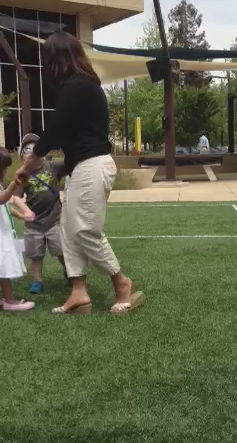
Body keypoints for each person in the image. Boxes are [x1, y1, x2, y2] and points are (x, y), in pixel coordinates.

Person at [16, 31, 144, 315]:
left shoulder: (78, 86)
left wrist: (26, 167)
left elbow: (53, 133)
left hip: (91, 165)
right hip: (80, 167)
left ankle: (121, 283)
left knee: (85, 229)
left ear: (57, 59)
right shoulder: (80, 86)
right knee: (68, 230)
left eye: (47, 59)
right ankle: (79, 292)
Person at [13, 133, 68, 294]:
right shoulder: (24, 174)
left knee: (61, 251)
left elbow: (70, 161)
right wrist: (26, 210)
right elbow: (15, 197)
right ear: (22, 156)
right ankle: (37, 282)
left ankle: (69, 272)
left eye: (34, 149)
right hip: (33, 225)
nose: (30, 152)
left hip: (54, 221)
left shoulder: (52, 167)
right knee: (35, 256)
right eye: (27, 149)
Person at [0, 147, 35, 311]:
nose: (6, 171)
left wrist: (22, 216)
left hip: (4, 231)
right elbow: (1, 200)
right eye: (4, 168)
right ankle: (9, 300)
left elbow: (6, 206)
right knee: (3, 267)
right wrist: (15, 183)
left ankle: (7, 299)